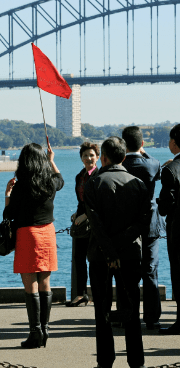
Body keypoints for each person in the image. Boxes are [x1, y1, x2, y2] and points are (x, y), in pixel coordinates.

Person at [85, 136, 150, 368]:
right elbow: (143, 223)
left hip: (100, 255)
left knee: (101, 309)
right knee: (132, 308)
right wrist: (120, 246)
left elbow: (95, 222)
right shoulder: (139, 184)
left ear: (103, 157)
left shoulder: (93, 183)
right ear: (124, 157)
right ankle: (136, 360)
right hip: (131, 253)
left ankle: (105, 361)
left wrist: (110, 251)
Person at [5, 142, 63, 349]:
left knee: (31, 286)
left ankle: (35, 332)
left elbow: (9, 215)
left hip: (27, 234)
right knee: (45, 283)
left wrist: (7, 196)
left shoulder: (20, 186)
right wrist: (51, 161)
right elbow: (60, 180)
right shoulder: (49, 183)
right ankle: (45, 330)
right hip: (48, 233)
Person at [122, 126, 164, 330]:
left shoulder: (121, 165)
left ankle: (128, 314)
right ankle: (152, 317)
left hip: (127, 224)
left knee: (128, 270)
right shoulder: (152, 164)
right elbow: (153, 164)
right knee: (150, 270)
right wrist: (144, 151)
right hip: (150, 223)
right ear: (142, 143)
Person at [67, 142, 99, 307]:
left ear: (98, 157)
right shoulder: (79, 176)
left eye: (92, 155)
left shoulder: (100, 175)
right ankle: (81, 294)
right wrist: (78, 214)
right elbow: (82, 200)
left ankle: (97, 293)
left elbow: (99, 202)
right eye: (85, 155)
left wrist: (86, 215)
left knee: (94, 259)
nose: (88, 158)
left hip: (96, 223)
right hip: (82, 222)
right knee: (78, 258)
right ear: (81, 158)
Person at [158, 123, 180, 335]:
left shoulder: (170, 170)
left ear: (174, 142)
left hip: (177, 229)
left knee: (178, 273)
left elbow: (165, 206)